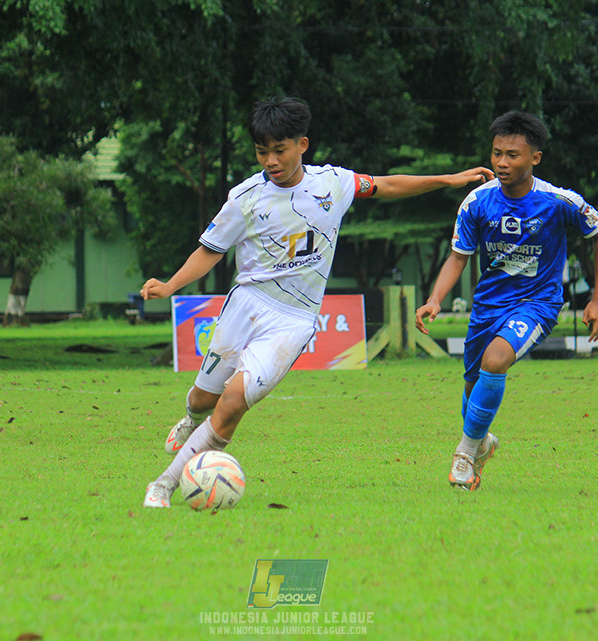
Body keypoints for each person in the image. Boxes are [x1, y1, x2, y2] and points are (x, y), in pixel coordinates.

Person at [141, 96, 493, 507]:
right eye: (261, 152)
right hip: (246, 305)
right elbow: (211, 250)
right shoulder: (246, 197)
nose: (270, 160)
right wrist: (170, 285)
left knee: (233, 403)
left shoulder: (333, 183)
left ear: (302, 145)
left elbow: (386, 184)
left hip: (292, 320)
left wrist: (447, 180)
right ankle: (190, 420)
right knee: (204, 398)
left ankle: (163, 485)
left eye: (279, 149)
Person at [415, 110, 598, 491]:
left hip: (538, 302)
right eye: (496, 154)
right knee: (473, 386)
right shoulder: (477, 202)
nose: (502, 163)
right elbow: (459, 256)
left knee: (496, 359)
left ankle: (465, 452)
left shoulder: (558, 201)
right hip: (489, 304)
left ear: (535, 158)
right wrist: (435, 299)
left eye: (513, 155)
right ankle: (483, 443)